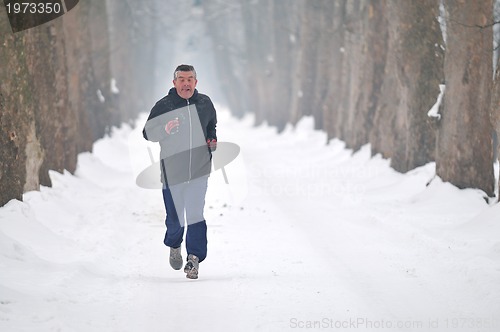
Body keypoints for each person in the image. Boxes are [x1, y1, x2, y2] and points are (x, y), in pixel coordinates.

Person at [143, 64, 217, 279]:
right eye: (182, 79)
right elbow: (148, 132)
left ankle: (194, 258)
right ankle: (174, 244)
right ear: (174, 82)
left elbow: (211, 125)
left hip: (199, 170)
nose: (186, 83)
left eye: (190, 79)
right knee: (175, 219)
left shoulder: (205, 103)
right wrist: (164, 129)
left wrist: (211, 139)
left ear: (196, 82)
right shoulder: (164, 105)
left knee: (195, 215)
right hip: (172, 172)